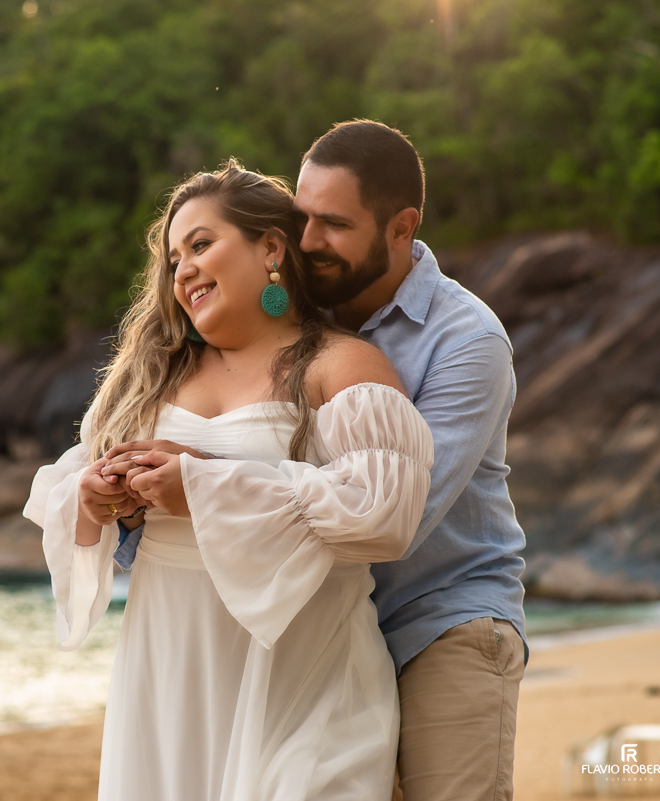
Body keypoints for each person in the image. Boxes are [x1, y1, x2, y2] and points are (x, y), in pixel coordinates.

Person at [23, 160, 434, 800]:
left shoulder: (340, 365)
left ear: (270, 248)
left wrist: (204, 487)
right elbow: (65, 492)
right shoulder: (143, 384)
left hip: (306, 685)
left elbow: (384, 512)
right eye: (172, 259)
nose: (182, 269)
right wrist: (93, 497)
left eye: (201, 245)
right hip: (168, 683)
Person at [292, 120, 528, 801]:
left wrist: (220, 499)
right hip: (330, 631)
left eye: (333, 223)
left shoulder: (468, 340)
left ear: (402, 227)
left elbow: (395, 520)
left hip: (443, 617)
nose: (308, 242)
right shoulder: (294, 314)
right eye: (301, 217)